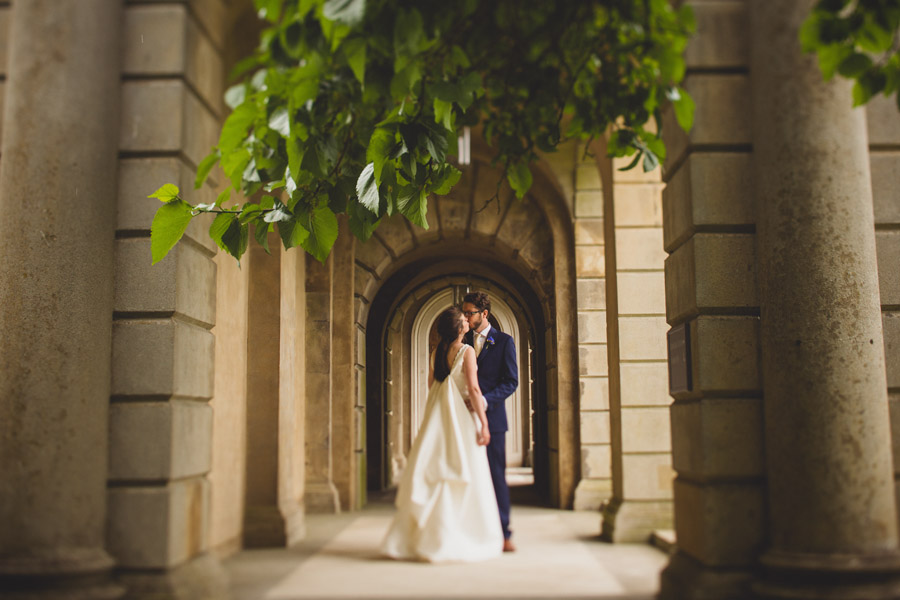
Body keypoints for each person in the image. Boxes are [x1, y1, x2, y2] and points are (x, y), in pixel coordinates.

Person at [381, 306, 503, 562]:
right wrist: (484, 422)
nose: (466, 320)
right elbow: (473, 388)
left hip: (439, 415)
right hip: (461, 417)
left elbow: (432, 386)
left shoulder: (436, 351)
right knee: (465, 468)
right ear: (459, 328)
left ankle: (426, 536)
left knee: (438, 467)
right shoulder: (467, 351)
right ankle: (461, 532)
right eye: (463, 319)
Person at [461, 291, 518, 552]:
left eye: (470, 312)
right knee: (468, 475)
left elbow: (511, 382)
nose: (465, 316)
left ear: (484, 314)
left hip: (493, 420)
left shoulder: (504, 342)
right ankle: (473, 530)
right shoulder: (460, 341)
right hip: (463, 419)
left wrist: (484, 400)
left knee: (496, 476)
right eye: (464, 312)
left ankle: (504, 533)